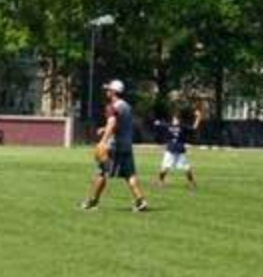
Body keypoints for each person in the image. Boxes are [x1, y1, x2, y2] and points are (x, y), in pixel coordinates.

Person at [80, 80, 149, 212]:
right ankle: (141, 201)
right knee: (130, 174)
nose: (107, 91)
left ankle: (93, 202)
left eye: (109, 89)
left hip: (114, 146)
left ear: (114, 92)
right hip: (127, 145)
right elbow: (120, 124)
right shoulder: (127, 106)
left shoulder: (112, 106)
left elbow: (112, 123)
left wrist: (103, 141)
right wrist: (104, 128)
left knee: (102, 173)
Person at [155, 108, 203, 188]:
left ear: (174, 119)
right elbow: (194, 128)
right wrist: (198, 117)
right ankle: (191, 183)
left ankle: (160, 182)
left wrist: (157, 121)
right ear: (179, 119)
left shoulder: (168, 126)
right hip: (180, 149)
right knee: (186, 167)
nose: (175, 120)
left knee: (165, 166)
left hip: (171, 149)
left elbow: (157, 123)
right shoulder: (182, 126)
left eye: (174, 119)